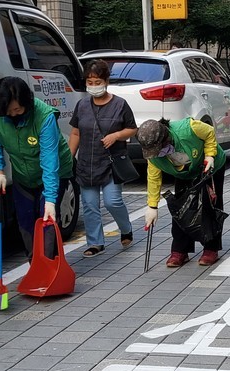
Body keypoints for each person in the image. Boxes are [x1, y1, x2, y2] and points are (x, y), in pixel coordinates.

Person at [0, 76, 74, 259]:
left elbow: (50, 160)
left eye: (16, 109)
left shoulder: (44, 116)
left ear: (27, 102)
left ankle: (49, 267)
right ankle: (35, 264)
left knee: (47, 218)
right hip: (22, 173)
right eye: (7, 112)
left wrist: (50, 199)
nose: (12, 115)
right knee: (25, 219)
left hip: (52, 172)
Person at [68, 59, 137, 257]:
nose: (93, 86)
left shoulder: (120, 104)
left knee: (112, 202)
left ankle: (126, 229)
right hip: (86, 164)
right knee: (89, 205)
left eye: (97, 81)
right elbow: (75, 133)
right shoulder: (82, 105)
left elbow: (132, 129)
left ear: (106, 81)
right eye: (90, 82)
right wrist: (69, 157)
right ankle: (95, 243)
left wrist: (116, 136)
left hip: (110, 162)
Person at [139, 118, 226, 267]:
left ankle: (211, 248)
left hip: (209, 165)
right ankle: (180, 250)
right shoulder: (153, 157)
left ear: (166, 139)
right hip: (184, 173)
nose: (157, 154)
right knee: (180, 207)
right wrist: (152, 207)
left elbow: (209, 132)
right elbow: (153, 179)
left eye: (158, 149)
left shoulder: (188, 128)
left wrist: (210, 155)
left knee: (210, 205)